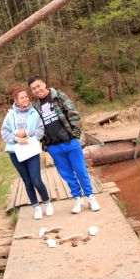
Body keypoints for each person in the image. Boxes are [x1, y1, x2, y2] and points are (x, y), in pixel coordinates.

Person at [27, 76, 101, 214]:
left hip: (70, 142)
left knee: (80, 171)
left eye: (38, 86)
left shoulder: (58, 96)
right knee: (67, 175)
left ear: (44, 84)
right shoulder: (36, 107)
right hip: (54, 146)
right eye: (33, 89)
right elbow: (37, 127)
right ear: (32, 91)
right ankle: (78, 199)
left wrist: (75, 135)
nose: (37, 90)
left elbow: (73, 114)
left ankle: (91, 197)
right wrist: (45, 145)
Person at [1, 85, 53, 219]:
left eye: (26, 96)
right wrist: (17, 139)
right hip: (15, 152)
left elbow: (40, 132)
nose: (25, 99)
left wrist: (27, 134)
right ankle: (36, 207)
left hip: (31, 150)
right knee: (27, 181)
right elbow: (4, 133)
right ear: (16, 100)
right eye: (22, 97)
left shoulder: (34, 113)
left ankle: (47, 203)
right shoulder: (10, 115)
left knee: (36, 180)